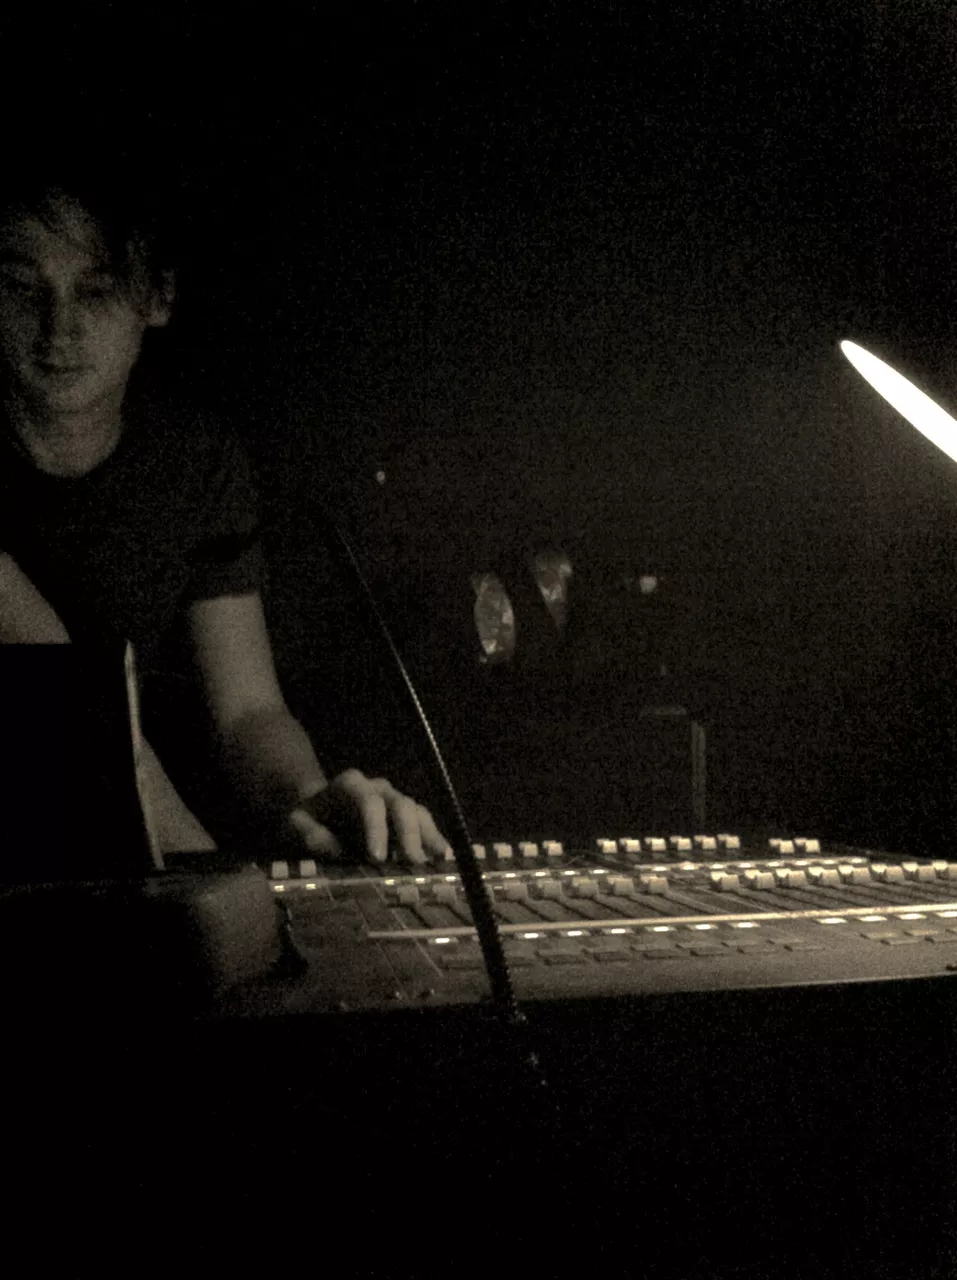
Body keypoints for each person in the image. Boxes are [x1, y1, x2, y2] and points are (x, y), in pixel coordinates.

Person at [0, 149, 448, 870]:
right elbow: (78, 723)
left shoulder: (197, 462)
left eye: (96, 290)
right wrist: (221, 897)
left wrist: (308, 801)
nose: (59, 326)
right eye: (22, 287)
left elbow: (247, 712)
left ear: (158, 298)